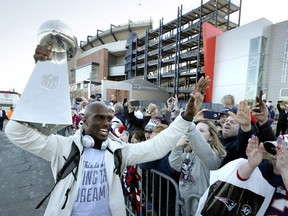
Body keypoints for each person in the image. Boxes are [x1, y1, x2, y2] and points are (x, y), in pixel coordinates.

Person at [5, 43, 211, 216]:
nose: (106, 123)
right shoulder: (62, 147)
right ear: (84, 120)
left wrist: (187, 117)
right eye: (100, 118)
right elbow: (15, 131)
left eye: (109, 118)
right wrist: (42, 78)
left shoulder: (117, 150)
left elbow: (157, 146)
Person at [169, 119, 226, 215]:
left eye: (201, 131)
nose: (196, 134)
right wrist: (177, 147)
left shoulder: (213, 155)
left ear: (211, 137)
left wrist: (190, 122)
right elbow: (175, 164)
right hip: (186, 203)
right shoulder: (190, 152)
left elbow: (202, 149)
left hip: (201, 205)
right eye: (196, 130)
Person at [220, 100, 256, 166]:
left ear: (240, 128)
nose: (227, 123)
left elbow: (244, 140)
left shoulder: (237, 145)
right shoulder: (217, 138)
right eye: (226, 121)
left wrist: (245, 126)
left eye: (232, 122)